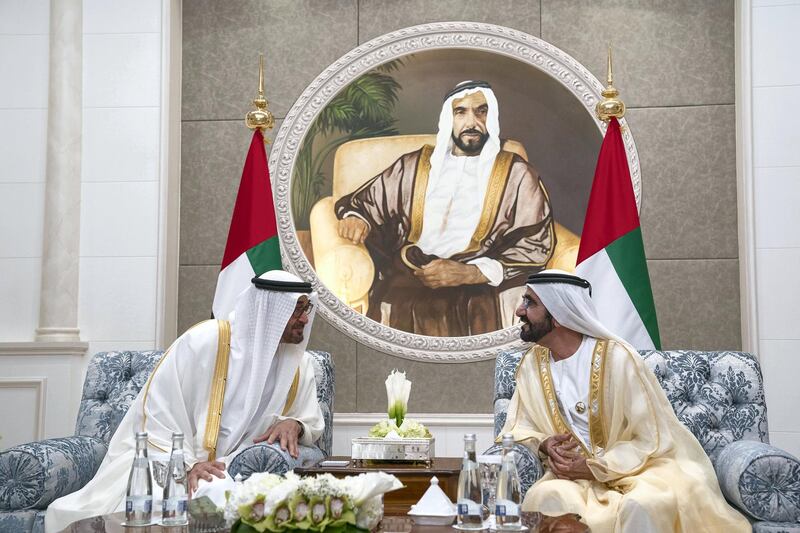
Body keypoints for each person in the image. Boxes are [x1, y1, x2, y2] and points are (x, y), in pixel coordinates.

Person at [45, 270, 325, 532]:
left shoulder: (301, 365)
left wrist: (295, 424)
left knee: (240, 498)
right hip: (164, 458)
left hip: (232, 467)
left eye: (306, 308)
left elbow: (308, 418)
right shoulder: (204, 341)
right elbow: (156, 415)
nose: (304, 318)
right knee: (172, 499)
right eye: (296, 309)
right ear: (269, 313)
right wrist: (189, 464)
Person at [499, 270, 750, 532]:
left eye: (530, 302)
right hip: (570, 477)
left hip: (640, 469)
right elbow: (518, 426)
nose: (519, 310)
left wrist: (597, 467)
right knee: (547, 497)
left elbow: (651, 437)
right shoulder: (532, 365)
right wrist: (544, 444)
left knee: (645, 504)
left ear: (560, 315)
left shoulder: (618, 359)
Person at [335, 80, 554, 336]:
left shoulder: (517, 173)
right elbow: (368, 202)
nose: (471, 122)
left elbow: (536, 243)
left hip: (481, 279)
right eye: (460, 112)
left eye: (481, 111)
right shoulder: (414, 166)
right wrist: (356, 218)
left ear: (491, 116)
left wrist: (471, 274)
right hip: (415, 270)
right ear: (448, 118)